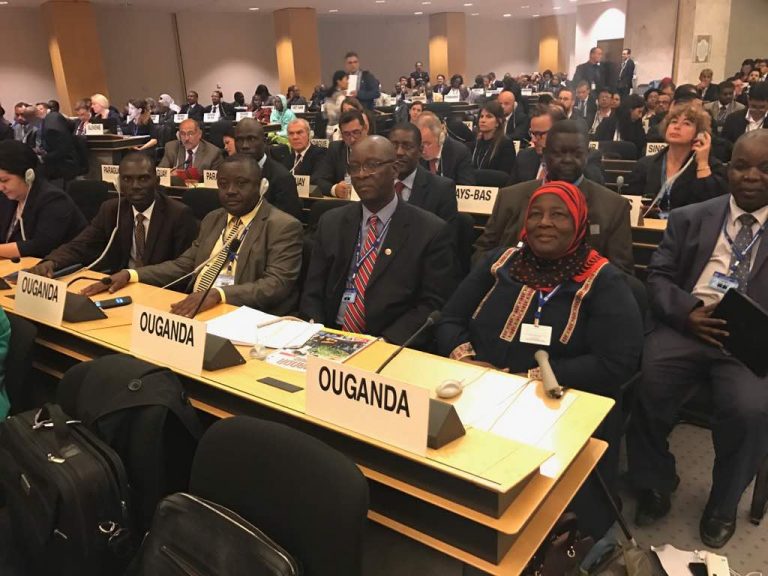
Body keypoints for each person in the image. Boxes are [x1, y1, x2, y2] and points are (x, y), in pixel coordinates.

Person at [438, 180, 642, 538]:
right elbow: (449, 319)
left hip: (559, 409)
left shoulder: (604, 281)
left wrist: (528, 379)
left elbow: (615, 363)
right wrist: (468, 361)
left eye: (558, 215)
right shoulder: (498, 262)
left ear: (579, 223)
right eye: (535, 214)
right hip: (479, 393)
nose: (544, 222)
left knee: (539, 523)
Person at [627, 130, 768, 548]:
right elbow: (658, 276)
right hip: (689, 323)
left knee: (750, 410)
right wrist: (687, 313)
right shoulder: (692, 216)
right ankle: (654, 481)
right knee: (645, 384)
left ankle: (723, 504)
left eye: (765, 168)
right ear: (728, 169)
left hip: (749, 344)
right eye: (741, 166)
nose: (751, 176)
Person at [82, 154, 303, 317]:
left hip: (241, 314)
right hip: (196, 307)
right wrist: (130, 274)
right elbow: (184, 265)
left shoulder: (282, 226)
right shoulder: (213, 218)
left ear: (262, 187)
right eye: (223, 184)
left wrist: (218, 294)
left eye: (241, 183)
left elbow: (276, 284)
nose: (231, 191)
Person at [300, 136, 456, 346]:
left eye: (372, 165)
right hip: (328, 335)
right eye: (354, 167)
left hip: (386, 341)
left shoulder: (430, 231)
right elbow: (313, 290)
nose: (361, 175)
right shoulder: (331, 222)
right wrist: (315, 332)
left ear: (394, 170)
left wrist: (385, 343)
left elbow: (431, 305)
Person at [474, 120, 634, 273]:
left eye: (577, 153)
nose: (568, 159)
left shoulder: (613, 207)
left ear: (587, 155)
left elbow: (622, 272)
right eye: (559, 153)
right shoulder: (509, 198)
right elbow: (482, 252)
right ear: (544, 154)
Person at [29, 153, 198, 276]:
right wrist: (52, 261)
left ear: (157, 181)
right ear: (118, 183)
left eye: (143, 179)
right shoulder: (111, 210)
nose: (135, 186)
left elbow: (182, 268)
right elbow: (82, 244)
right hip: (119, 284)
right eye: (127, 179)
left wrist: (134, 277)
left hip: (159, 289)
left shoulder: (178, 214)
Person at [627, 103, 727, 214]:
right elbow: (631, 205)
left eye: (686, 123)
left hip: (690, 225)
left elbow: (713, 208)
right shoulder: (644, 165)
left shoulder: (712, 167)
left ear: (699, 133)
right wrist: (640, 209)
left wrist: (702, 163)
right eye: (674, 122)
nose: (677, 127)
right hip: (650, 224)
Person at [0, 140, 86, 259]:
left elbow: (40, 247)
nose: (1, 187)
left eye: (5, 180)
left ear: (28, 175)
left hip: (61, 265)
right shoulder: (9, 198)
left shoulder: (54, 200)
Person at [510, 105, 604, 186]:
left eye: (540, 134)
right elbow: (511, 195)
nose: (534, 140)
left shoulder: (585, 159)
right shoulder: (524, 158)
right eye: (533, 134)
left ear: (560, 132)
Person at [231, 118, 302, 220]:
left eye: (251, 139)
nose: (244, 145)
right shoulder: (230, 173)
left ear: (264, 141)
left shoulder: (282, 178)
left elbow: (287, 223)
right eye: (239, 140)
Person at [388, 123, 457, 221]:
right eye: (394, 146)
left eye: (407, 146)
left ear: (420, 150)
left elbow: (447, 230)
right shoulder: (377, 184)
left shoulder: (442, 189)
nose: (399, 152)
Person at [312, 109, 368, 198]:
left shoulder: (378, 148)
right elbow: (318, 179)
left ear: (365, 129)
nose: (352, 139)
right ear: (341, 134)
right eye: (346, 134)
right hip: (345, 202)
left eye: (356, 132)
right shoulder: (336, 149)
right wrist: (334, 189)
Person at [416, 112, 475, 185]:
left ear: (440, 138)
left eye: (427, 144)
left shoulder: (460, 153)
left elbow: (465, 187)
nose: (423, 151)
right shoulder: (415, 154)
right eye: (420, 145)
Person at [594, 93, 647, 158]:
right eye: (639, 112)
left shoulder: (639, 127)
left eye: (642, 112)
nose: (640, 116)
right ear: (630, 110)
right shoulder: (607, 123)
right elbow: (596, 145)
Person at [471, 102, 517, 175]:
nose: (483, 120)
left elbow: (505, 175)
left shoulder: (505, 144)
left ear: (498, 122)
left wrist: (474, 174)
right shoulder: (475, 143)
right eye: (481, 116)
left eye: (489, 117)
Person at [325, 70, 349, 138]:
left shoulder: (329, 94)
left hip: (329, 126)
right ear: (338, 81)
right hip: (338, 128)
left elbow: (325, 112)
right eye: (346, 79)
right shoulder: (340, 96)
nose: (348, 82)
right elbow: (343, 113)